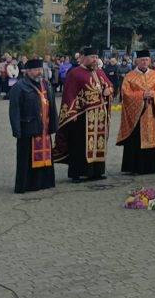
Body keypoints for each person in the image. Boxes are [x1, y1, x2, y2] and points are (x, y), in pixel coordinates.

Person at [53, 47, 113, 182]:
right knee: (79, 145)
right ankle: (77, 173)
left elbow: (109, 85)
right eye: (92, 57)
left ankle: (96, 171)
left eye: (96, 57)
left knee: (98, 143)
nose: (95, 60)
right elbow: (69, 95)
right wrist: (71, 113)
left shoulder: (99, 72)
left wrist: (108, 90)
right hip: (81, 116)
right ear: (83, 58)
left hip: (99, 116)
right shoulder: (75, 73)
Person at [8, 58, 57, 193]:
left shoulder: (46, 85)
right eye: (36, 70)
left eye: (40, 69)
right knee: (26, 158)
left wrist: (54, 125)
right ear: (28, 71)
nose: (39, 72)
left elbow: (53, 106)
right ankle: (27, 185)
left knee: (46, 157)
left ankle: (44, 183)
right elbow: (14, 110)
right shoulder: (19, 87)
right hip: (28, 128)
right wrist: (16, 130)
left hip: (44, 128)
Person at [116, 50, 155, 175]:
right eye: (142, 60)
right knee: (136, 139)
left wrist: (154, 94)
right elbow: (125, 94)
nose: (144, 62)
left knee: (152, 137)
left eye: (146, 60)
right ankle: (135, 167)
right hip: (137, 115)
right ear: (137, 61)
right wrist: (142, 95)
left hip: (151, 112)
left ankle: (152, 167)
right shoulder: (130, 76)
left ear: (149, 61)